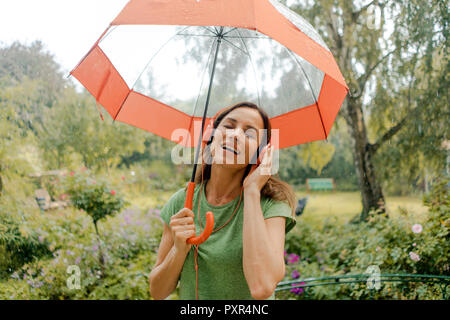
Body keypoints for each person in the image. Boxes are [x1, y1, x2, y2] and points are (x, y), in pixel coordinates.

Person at [149, 102, 297, 300]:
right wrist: (178, 248)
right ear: (211, 137)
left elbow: (262, 287)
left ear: (261, 153)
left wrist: (252, 190)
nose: (235, 135)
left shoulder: (270, 205)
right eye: (228, 126)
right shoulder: (182, 202)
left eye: (250, 133)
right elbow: (158, 292)